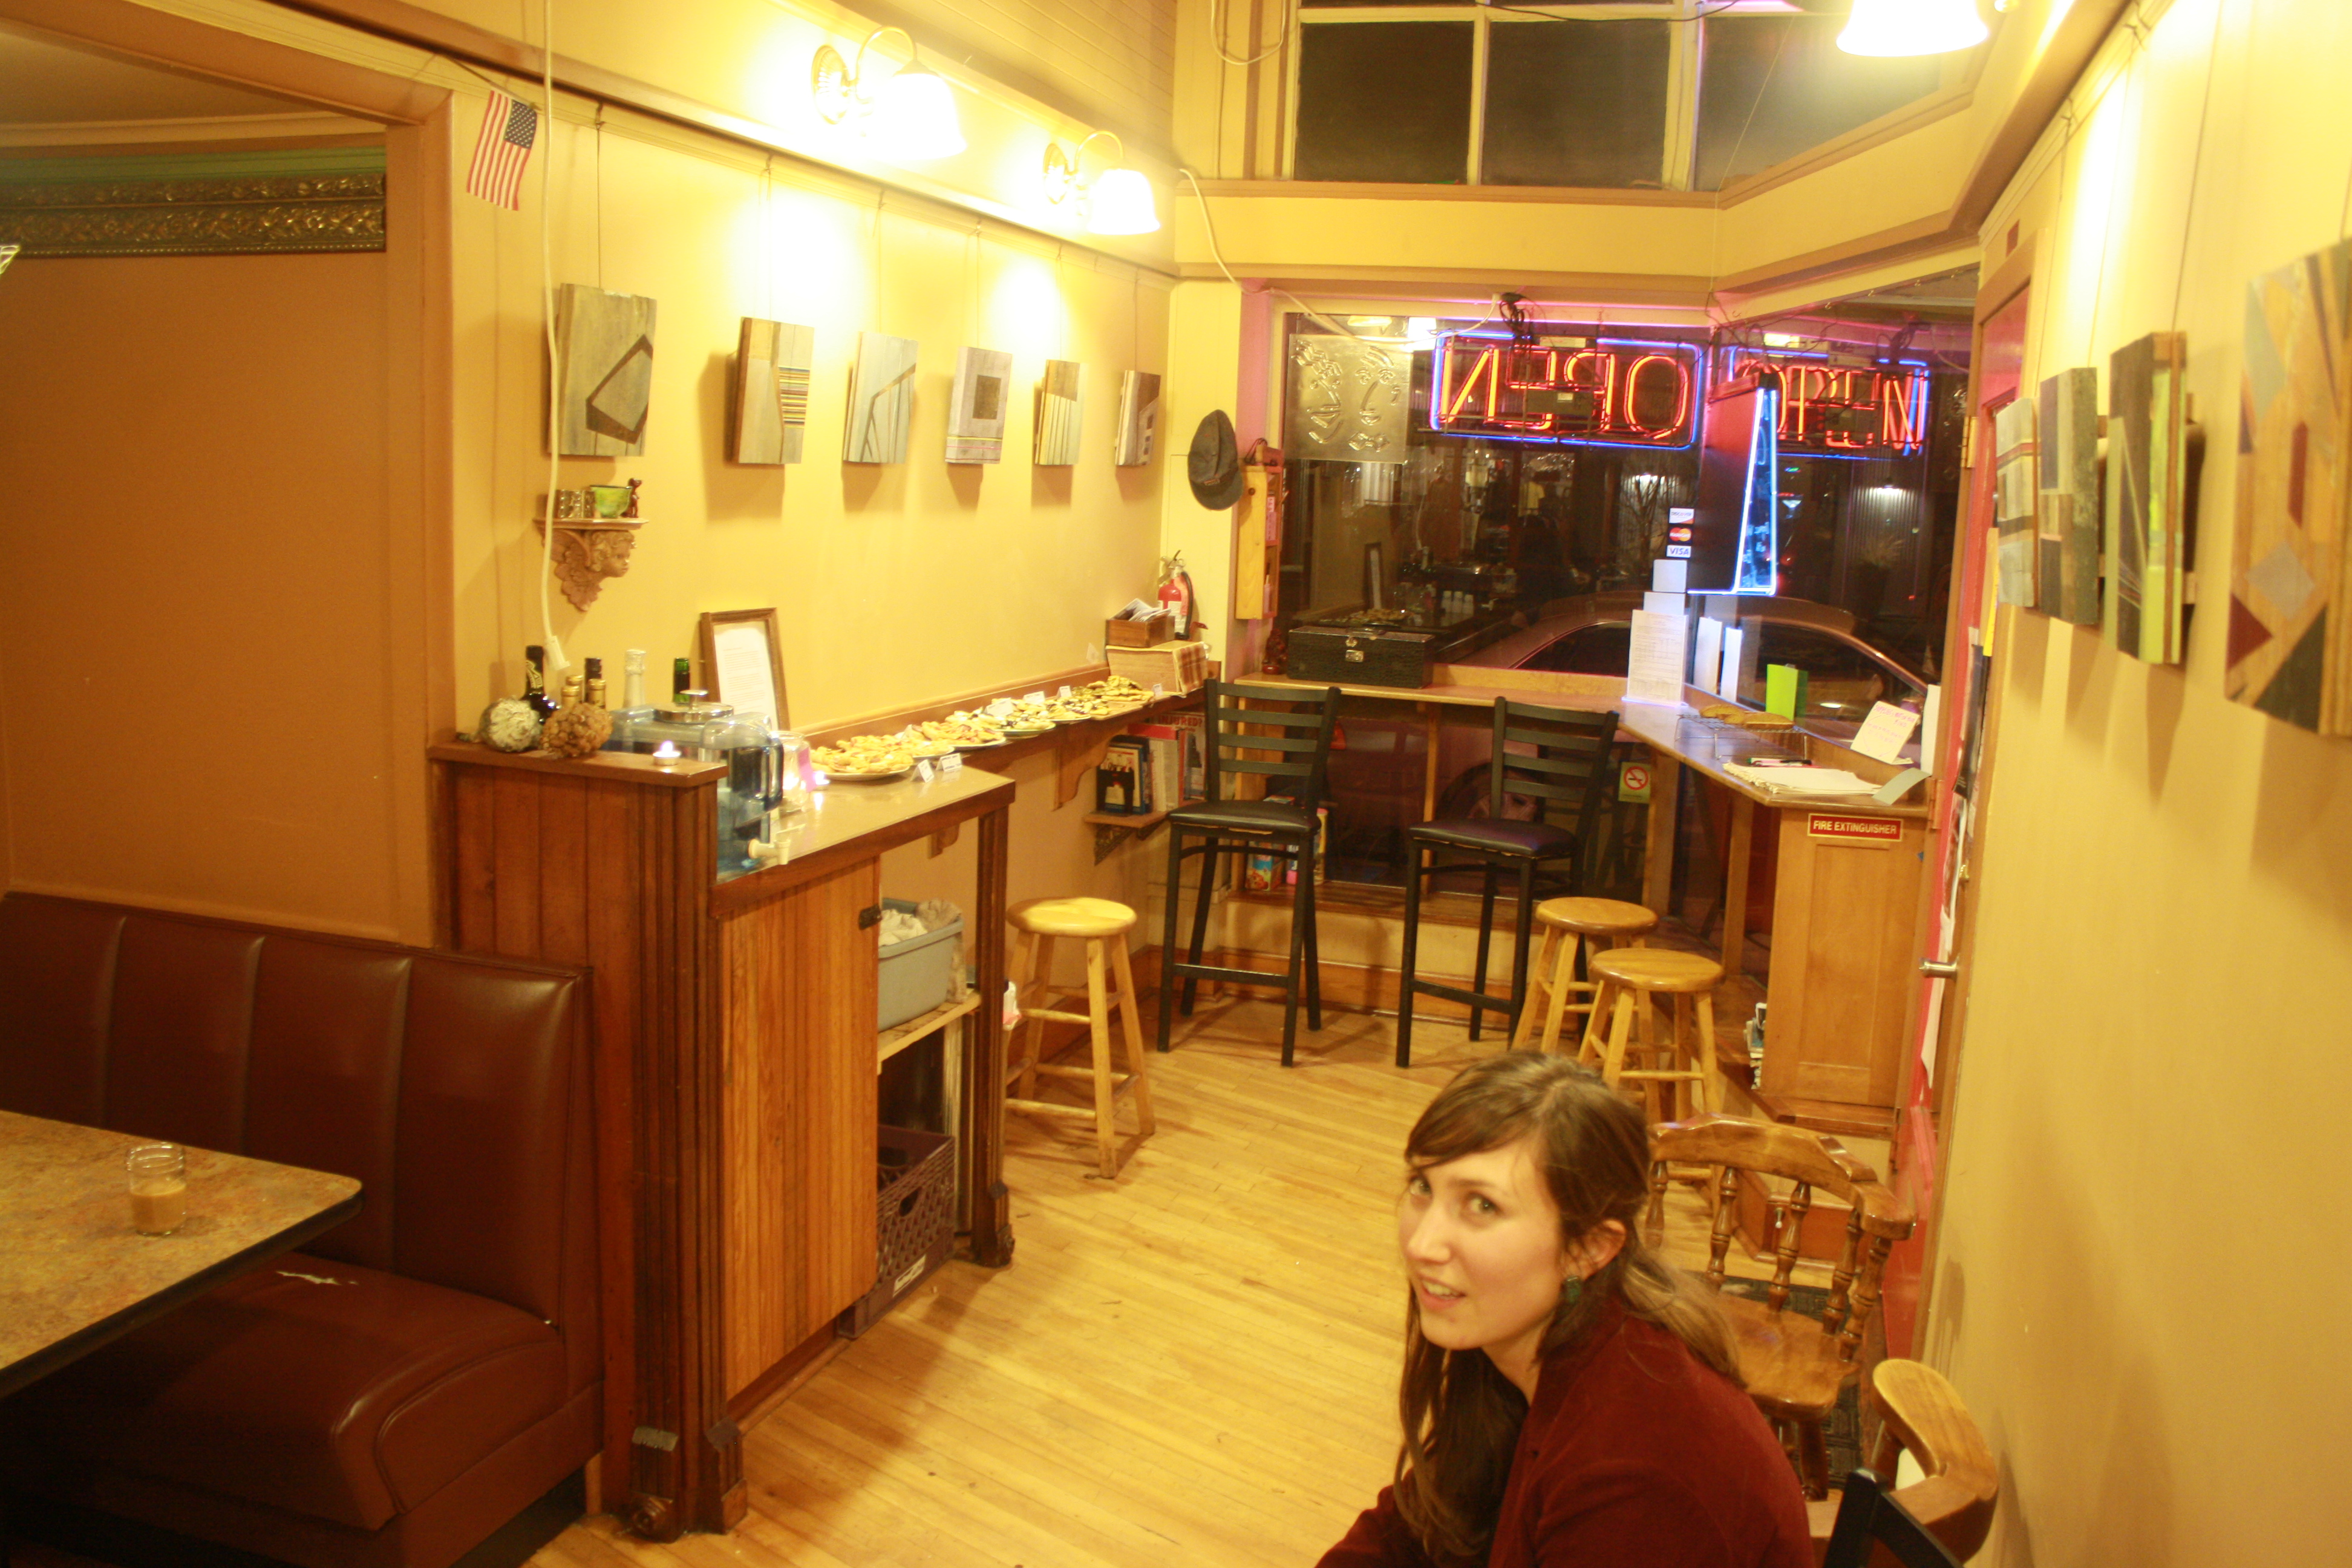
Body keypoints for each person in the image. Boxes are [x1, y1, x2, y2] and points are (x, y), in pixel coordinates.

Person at [1319, 1054, 1811, 1568]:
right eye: (1423, 1186)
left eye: (1482, 1205)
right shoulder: (1520, 1327)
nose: (1422, 1244)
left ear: (1588, 1248)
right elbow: (1417, 1526)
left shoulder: (1637, 1472)